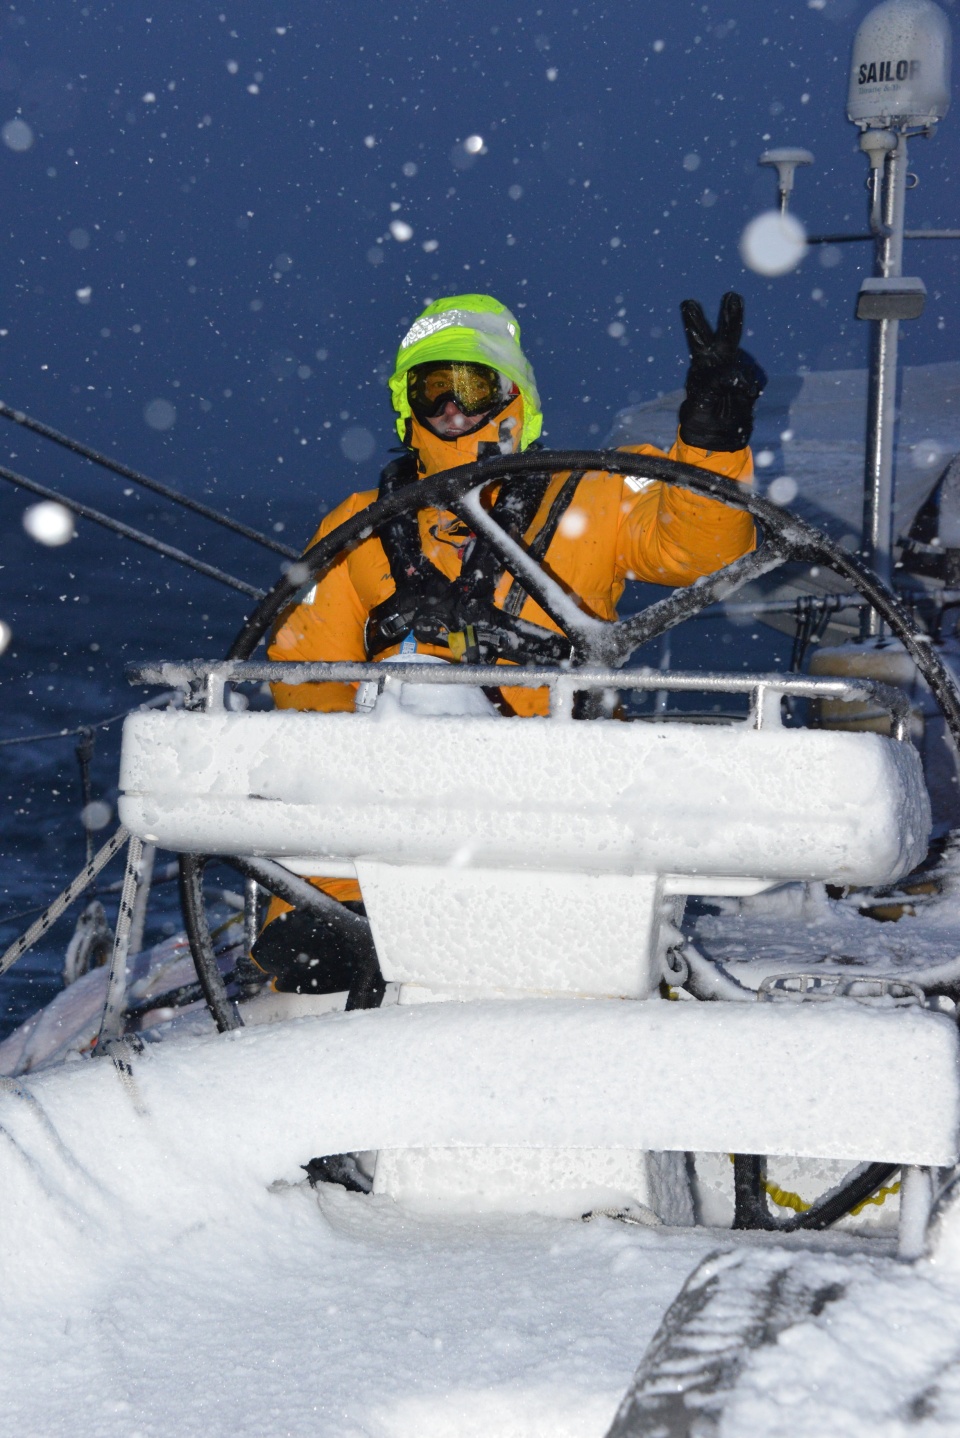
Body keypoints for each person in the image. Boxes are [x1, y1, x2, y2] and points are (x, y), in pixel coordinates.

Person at [251, 290, 765, 998]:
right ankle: (355, 917)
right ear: (409, 409)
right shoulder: (358, 529)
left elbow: (694, 549)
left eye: (473, 388)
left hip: (559, 813)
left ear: (515, 397)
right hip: (397, 824)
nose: (454, 413)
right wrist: (344, 895)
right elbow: (309, 693)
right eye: (435, 393)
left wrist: (712, 440)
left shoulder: (597, 495)